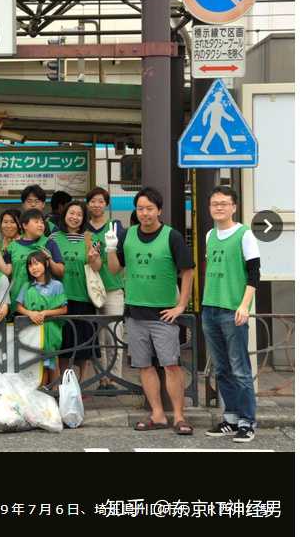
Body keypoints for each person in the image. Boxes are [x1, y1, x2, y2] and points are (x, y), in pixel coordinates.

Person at [106, 187, 195, 436]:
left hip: (163, 314)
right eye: (140, 208)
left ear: (159, 210)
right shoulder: (128, 235)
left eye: (149, 208)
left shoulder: (172, 236)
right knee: (144, 366)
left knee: (171, 366)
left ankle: (179, 416)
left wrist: (181, 306)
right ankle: (157, 414)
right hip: (135, 313)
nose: (145, 213)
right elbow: (114, 269)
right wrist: (110, 249)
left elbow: (188, 270)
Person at [202, 186, 260, 443]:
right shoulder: (209, 235)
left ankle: (248, 421)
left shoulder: (244, 234)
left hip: (233, 310)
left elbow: (254, 273)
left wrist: (244, 305)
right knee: (222, 368)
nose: (219, 207)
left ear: (234, 207)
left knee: (240, 369)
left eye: (224, 203)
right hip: (210, 308)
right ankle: (231, 418)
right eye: (215, 203)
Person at [50, 201, 102, 381]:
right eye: (71, 213)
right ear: (64, 215)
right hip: (60, 298)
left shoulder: (90, 238)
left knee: (83, 345)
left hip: (83, 297)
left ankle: (81, 384)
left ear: (84, 218)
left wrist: (93, 258)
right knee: (64, 344)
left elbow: (97, 267)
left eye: (79, 214)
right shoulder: (54, 238)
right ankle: (65, 381)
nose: (75, 217)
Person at [86, 186, 127, 390]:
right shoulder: (83, 230)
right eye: (93, 201)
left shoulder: (115, 227)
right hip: (91, 291)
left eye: (100, 201)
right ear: (88, 204)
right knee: (97, 338)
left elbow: (122, 257)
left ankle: (115, 379)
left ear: (106, 203)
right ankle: (102, 378)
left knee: (114, 335)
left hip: (112, 288)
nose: (96, 204)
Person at [0, 208, 64, 312]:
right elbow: (6, 270)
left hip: (44, 302)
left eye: (42, 222)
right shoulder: (13, 246)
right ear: (24, 225)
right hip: (19, 300)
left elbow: (60, 272)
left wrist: (50, 259)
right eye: (36, 222)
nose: (40, 225)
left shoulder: (49, 243)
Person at [16, 251, 68, 386]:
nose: (34, 268)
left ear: (45, 264)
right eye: (30, 265)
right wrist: (30, 313)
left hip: (51, 331)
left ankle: (55, 395)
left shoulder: (57, 285)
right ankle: (41, 396)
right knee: (38, 365)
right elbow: (19, 307)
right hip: (32, 332)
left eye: (36, 263)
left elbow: (63, 309)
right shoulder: (27, 286)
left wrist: (45, 312)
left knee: (52, 363)